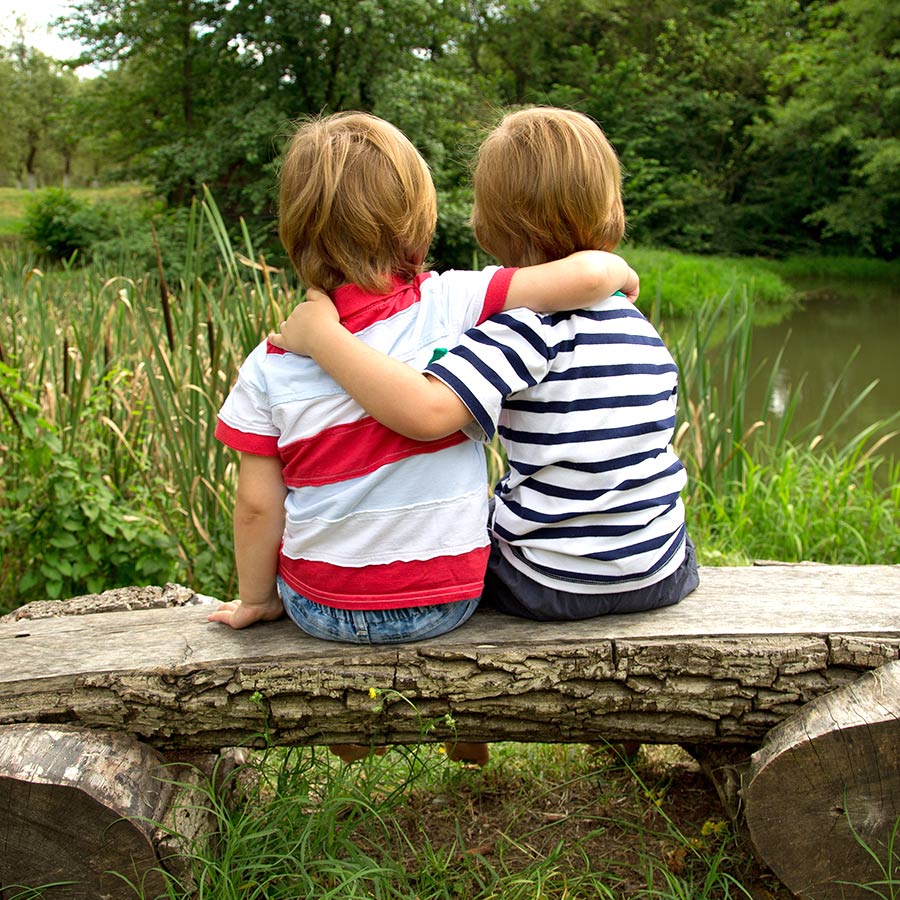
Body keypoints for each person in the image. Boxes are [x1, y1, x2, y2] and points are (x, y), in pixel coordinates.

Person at [208, 112, 638, 761]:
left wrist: (258, 599)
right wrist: (620, 275)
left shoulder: (272, 360)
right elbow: (584, 276)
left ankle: (355, 739)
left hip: (320, 607)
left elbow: (258, 505)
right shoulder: (456, 301)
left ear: (296, 231)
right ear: (418, 218)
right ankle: (465, 728)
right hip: (449, 599)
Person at [270, 107, 699, 633]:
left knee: (474, 530)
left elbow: (428, 412)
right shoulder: (638, 326)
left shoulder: (523, 328)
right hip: (663, 567)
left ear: (491, 224)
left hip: (550, 583)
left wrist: (323, 338)